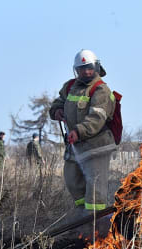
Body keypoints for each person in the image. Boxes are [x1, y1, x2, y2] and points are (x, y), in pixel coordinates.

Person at [49, 49, 116, 218]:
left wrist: (79, 131)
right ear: (76, 70)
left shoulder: (101, 90)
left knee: (95, 191)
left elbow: (97, 117)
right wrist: (56, 110)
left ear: (97, 67)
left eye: (89, 68)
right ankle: (82, 220)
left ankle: (98, 226)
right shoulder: (70, 86)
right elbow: (59, 101)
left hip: (96, 147)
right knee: (72, 180)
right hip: (76, 146)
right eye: (82, 69)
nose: (86, 72)